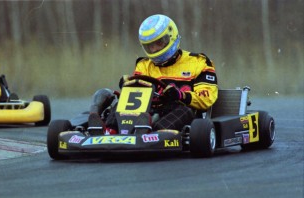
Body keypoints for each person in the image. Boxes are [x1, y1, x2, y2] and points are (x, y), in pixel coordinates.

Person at [88, 14, 218, 134]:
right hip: (148, 110)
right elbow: (135, 96)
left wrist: (181, 95)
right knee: (121, 103)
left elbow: (207, 97)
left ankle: (155, 133)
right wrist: (128, 84)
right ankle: (109, 130)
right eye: (150, 46)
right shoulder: (144, 65)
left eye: (159, 43)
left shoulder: (198, 62)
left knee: (183, 110)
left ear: (170, 37)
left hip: (180, 111)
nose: (154, 49)